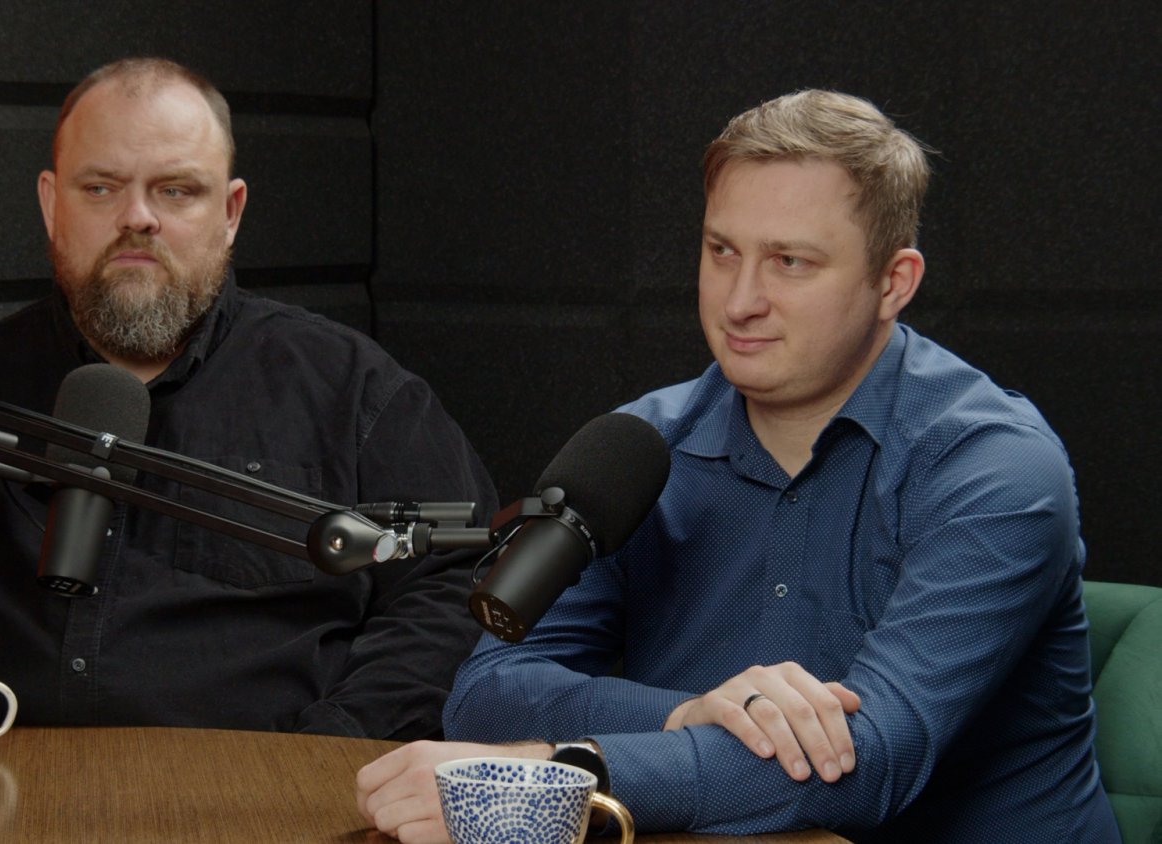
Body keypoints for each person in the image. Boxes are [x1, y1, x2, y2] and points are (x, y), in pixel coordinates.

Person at [357, 90, 1120, 841]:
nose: (740, 301)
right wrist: (684, 714)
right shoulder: (635, 450)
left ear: (894, 282)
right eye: (722, 251)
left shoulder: (996, 467)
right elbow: (488, 691)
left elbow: (870, 760)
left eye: (790, 261)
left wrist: (563, 771)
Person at [0, 57, 497, 741]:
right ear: (50, 203)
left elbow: (450, 584)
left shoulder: (353, 394)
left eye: (176, 190)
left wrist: (327, 757)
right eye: (100, 187)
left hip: (256, 805)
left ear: (230, 213)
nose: (137, 217)